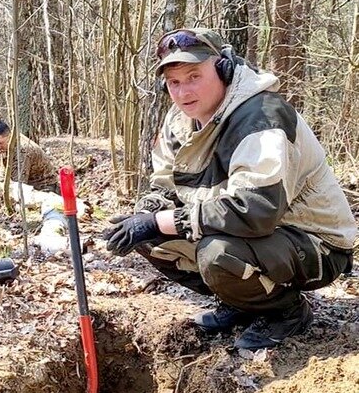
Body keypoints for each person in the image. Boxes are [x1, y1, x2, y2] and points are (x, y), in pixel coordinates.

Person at [104, 28, 356, 350]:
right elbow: (166, 183)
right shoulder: (181, 119)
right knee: (149, 238)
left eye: (194, 76)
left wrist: (163, 222)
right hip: (255, 235)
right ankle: (243, 302)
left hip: (316, 243)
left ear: (223, 68)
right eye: (174, 82)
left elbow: (255, 209)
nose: (183, 92)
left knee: (217, 254)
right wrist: (147, 214)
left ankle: (287, 311)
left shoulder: (261, 116)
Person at [0, 120, 57, 191]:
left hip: (45, 186)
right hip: (30, 183)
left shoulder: (23, 151)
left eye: (0, 143)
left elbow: (19, 185)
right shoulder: (8, 144)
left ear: (9, 137)